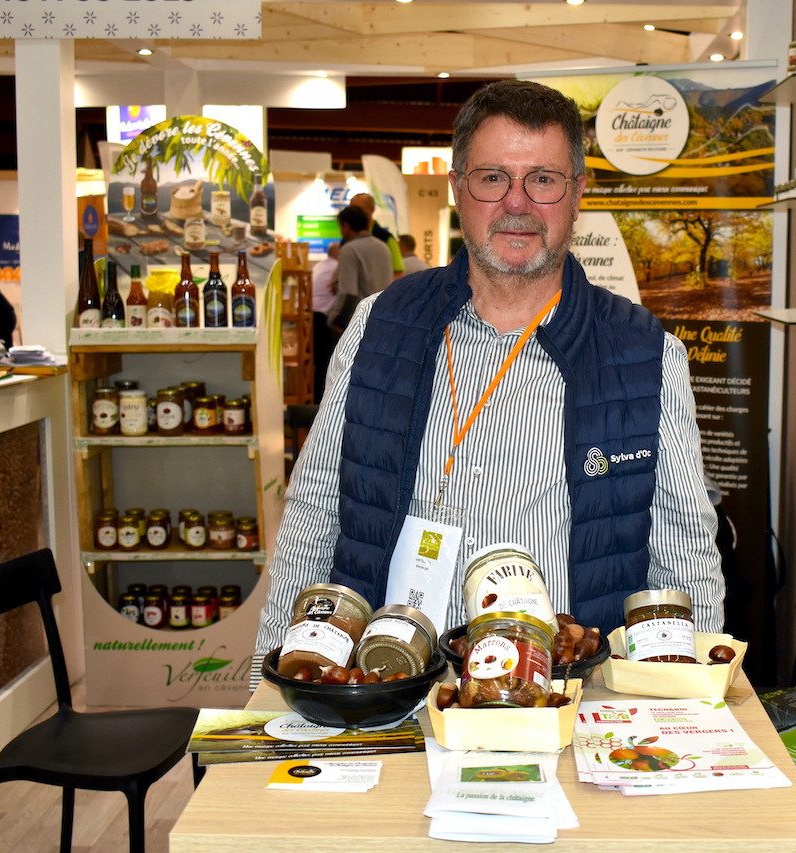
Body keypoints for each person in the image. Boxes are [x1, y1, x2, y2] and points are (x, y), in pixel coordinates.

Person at [252, 79, 723, 681]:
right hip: (388, 689)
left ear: (577, 194)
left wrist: (697, 697)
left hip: (563, 699)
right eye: (493, 177)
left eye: (543, 180)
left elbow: (684, 555)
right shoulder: (380, 326)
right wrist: (268, 687)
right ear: (457, 188)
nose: (517, 203)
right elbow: (313, 515)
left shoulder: (643, 353)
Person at [332, 204, 394, 329]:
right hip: (384, 317)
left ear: (346, 226)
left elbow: (349, 295)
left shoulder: (349, 249)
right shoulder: (383, 246)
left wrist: (335, 322)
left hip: (359, 322)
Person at [350, 192, 405, 279]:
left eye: (359, 209)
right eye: (351, 209)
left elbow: (399, 272)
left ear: (372, 209)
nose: (354, 214)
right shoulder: (348, 237)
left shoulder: (386, 238)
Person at [310, 242, 341, 401]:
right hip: (323, 319)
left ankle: (316, 399)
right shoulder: (337, 268)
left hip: (311, 316)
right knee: (326, 363)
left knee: (318, 362)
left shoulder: (319, 266)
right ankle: (323, 399)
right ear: (338, 254)